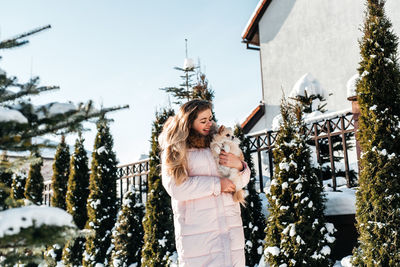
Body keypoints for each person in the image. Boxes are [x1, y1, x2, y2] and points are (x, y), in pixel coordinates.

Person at [159, 99, 250, 267]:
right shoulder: (176, 149)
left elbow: (238, 182)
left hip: (230, 231)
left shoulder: (219, 141)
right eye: (203, 120)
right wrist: (217, 185)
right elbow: (176, 187)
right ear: (189, 122)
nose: (209, 123)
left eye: (210, 118)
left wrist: (239, 166)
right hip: (198, 236)